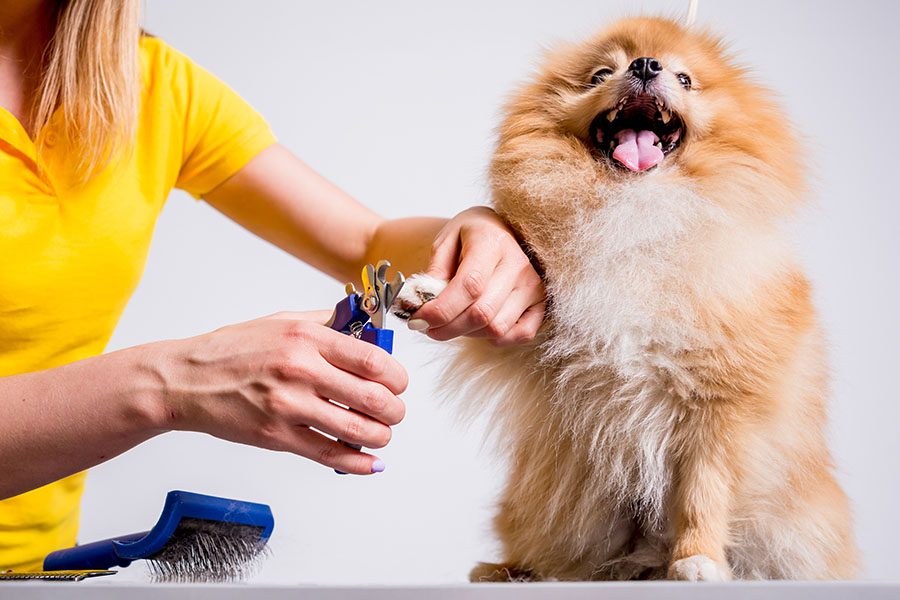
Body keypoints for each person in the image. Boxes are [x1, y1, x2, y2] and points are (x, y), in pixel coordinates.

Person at [0, 0, 545, 571]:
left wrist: (477, 233)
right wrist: (169, 382)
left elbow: (364, 244)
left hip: (37, 574)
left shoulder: (149, 85)